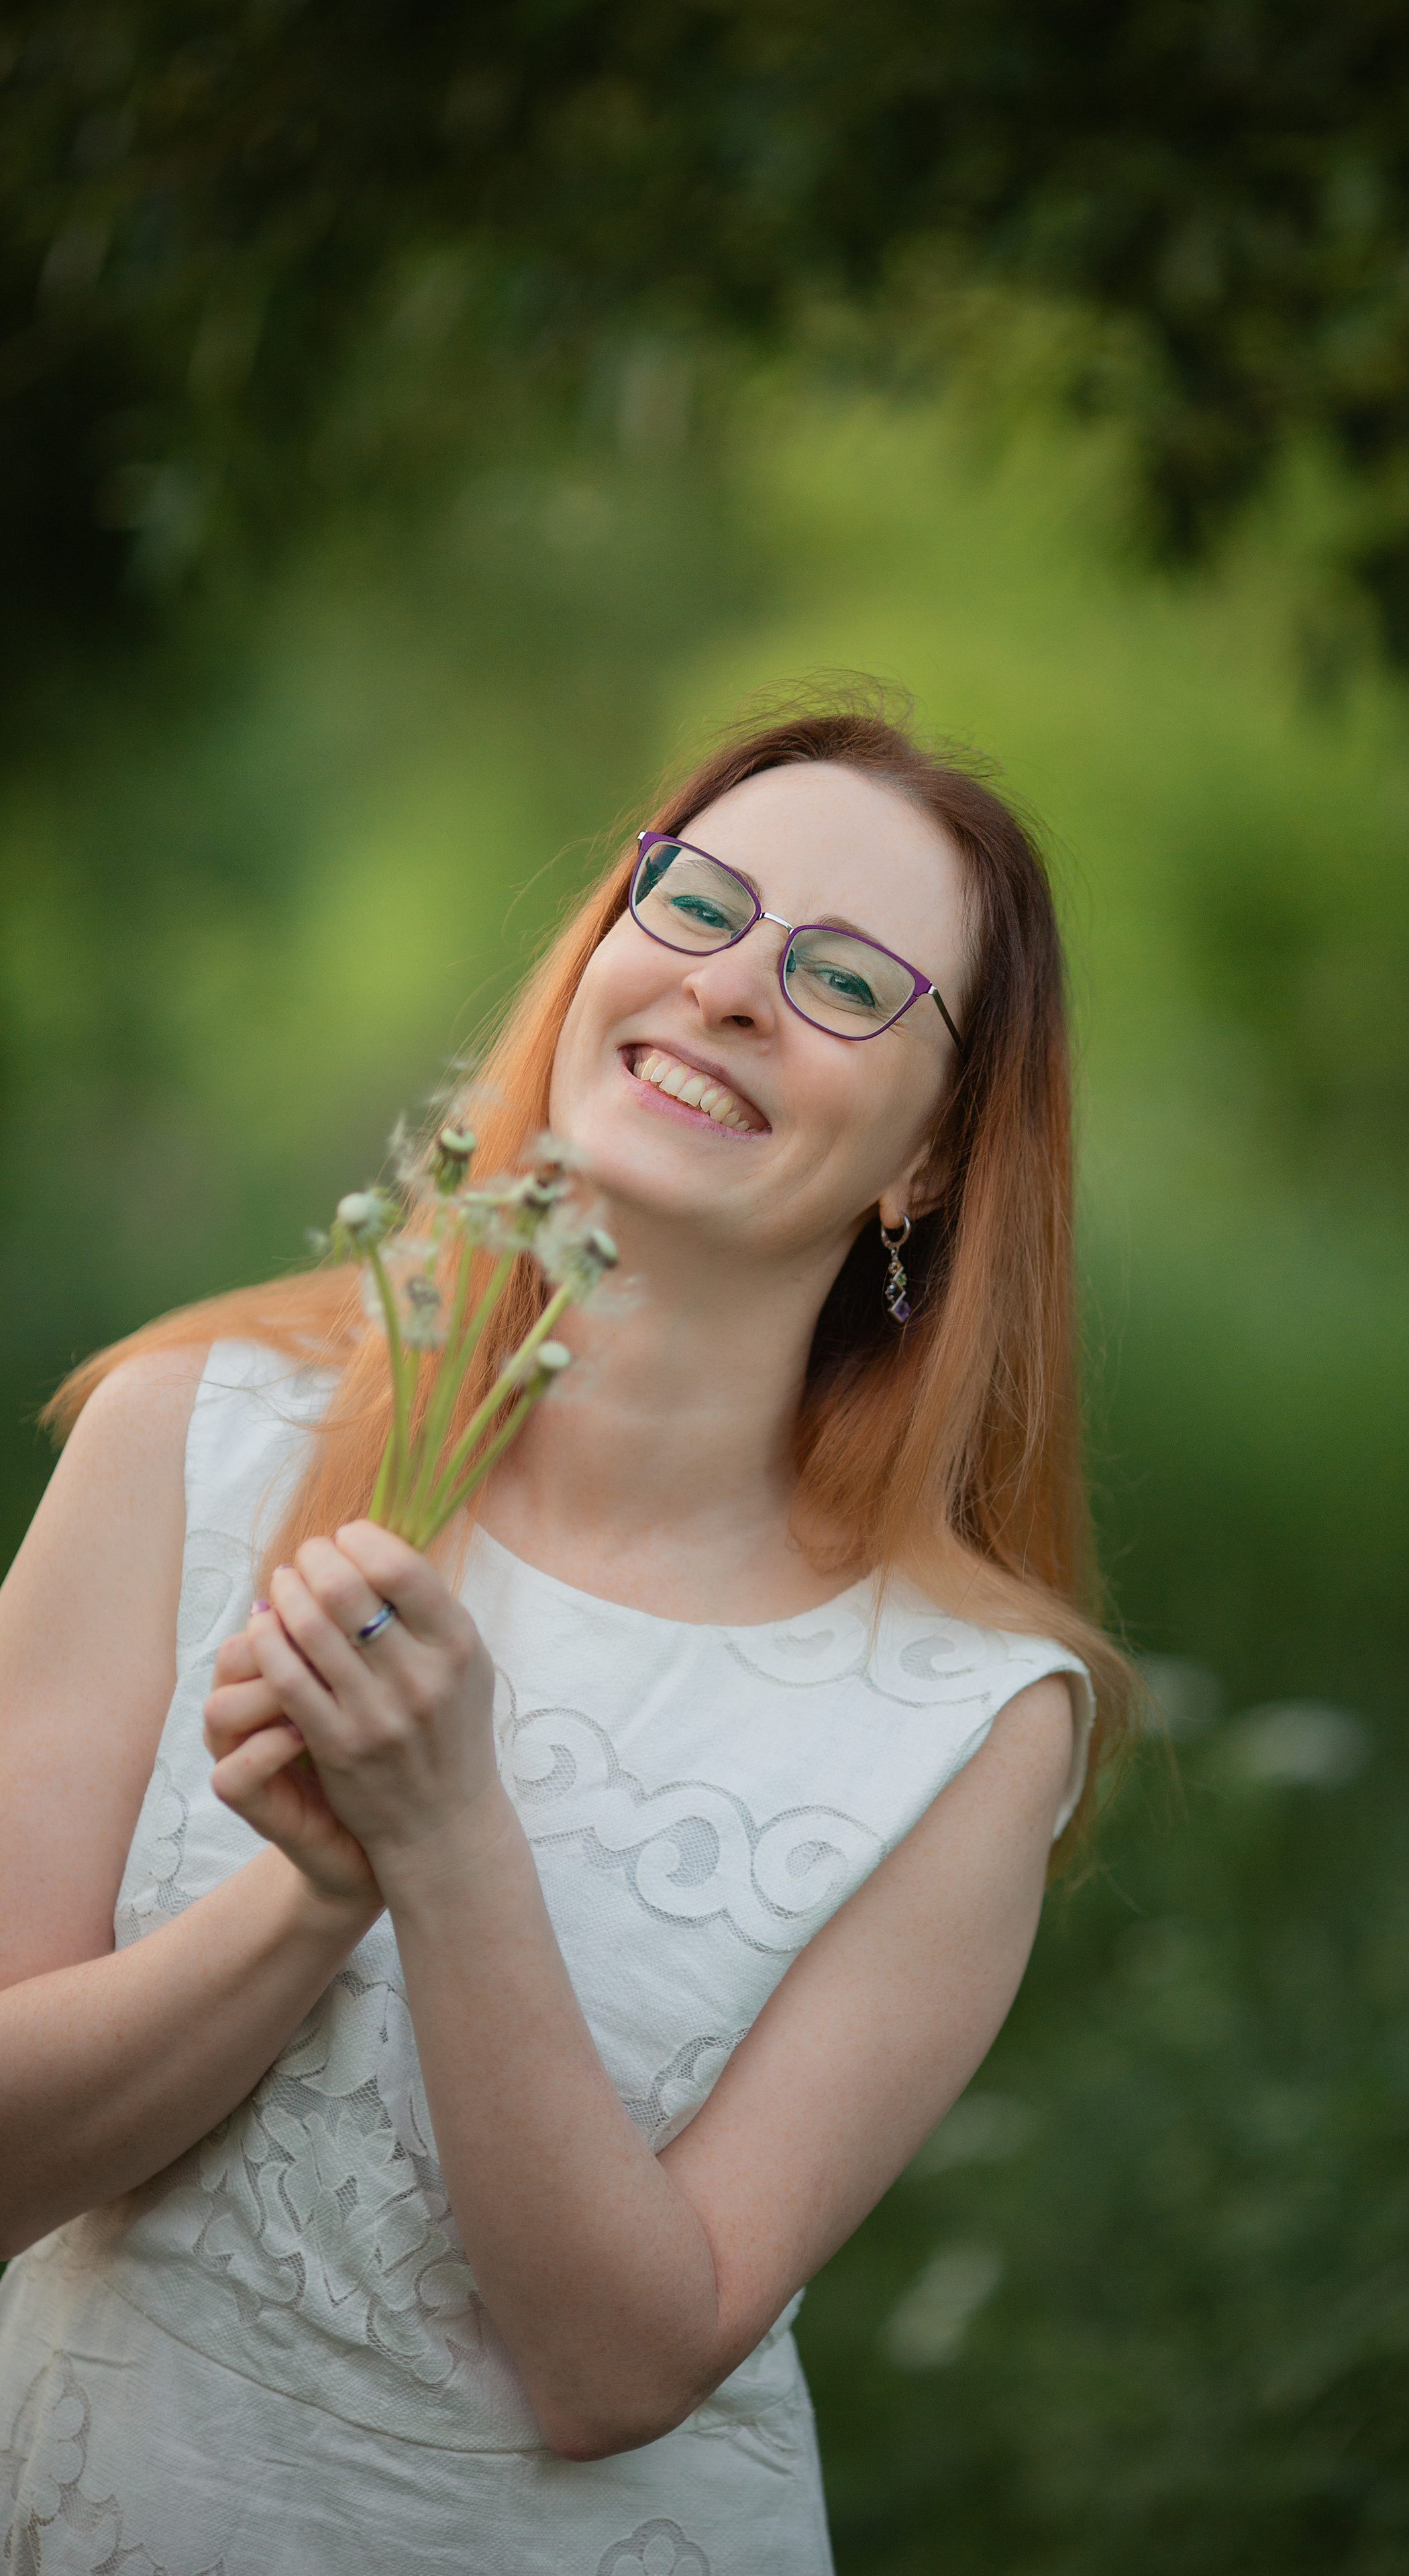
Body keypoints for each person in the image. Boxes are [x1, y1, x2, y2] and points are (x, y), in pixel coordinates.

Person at [0, 692, 1135, 2575]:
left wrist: (448, 1844)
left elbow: (619, 2370)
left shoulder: (968, 1716)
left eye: (849, 979)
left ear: (929, 1162)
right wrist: (309, 1892)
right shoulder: (192, 1436)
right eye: (694, 905)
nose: (731, 988)